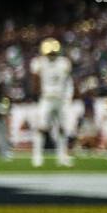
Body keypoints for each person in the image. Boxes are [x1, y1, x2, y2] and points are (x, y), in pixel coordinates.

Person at [29, 37, 74, 168]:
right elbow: (35, 80)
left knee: (62, 128)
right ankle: (37, 156)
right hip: (46, 98)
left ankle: (62, 157)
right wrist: (36, 95)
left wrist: (68, 97)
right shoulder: (39, 62)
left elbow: (68, 81)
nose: (51, 54)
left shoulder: (64, 63)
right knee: (41, 127)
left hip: (60, 98)